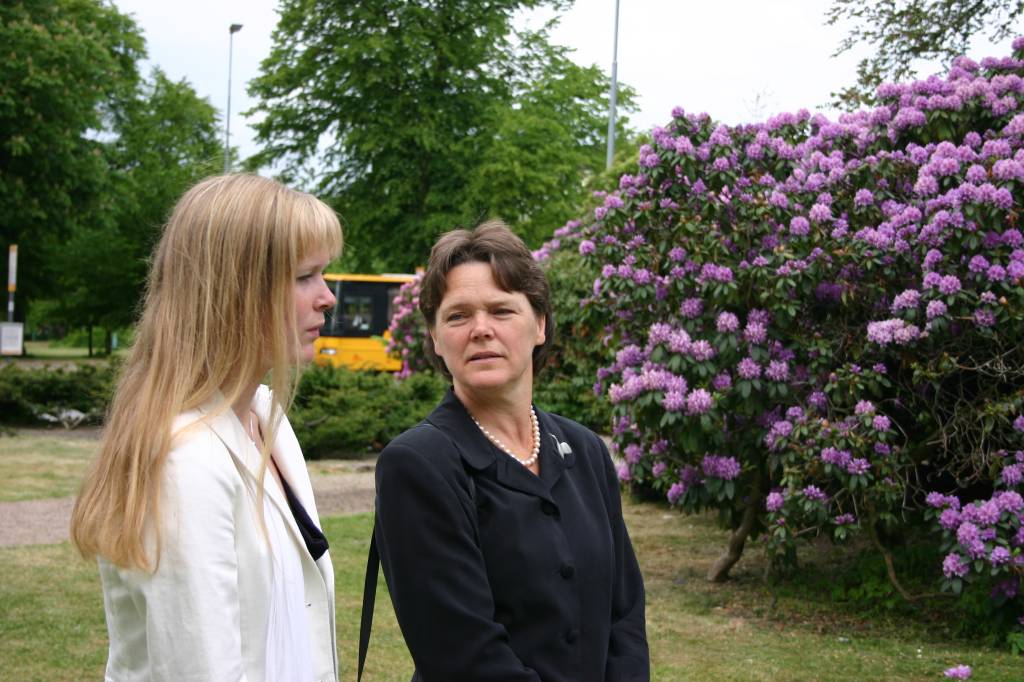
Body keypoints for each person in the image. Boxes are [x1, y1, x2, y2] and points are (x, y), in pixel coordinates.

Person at [70, 174, 342, 681]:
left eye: (323, 274)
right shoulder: (185, 461)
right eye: (305, 276)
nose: (327, 297)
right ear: (236, 291)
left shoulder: (265, 419)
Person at [374, 220, 650, 681]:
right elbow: (464, 654)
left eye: (502, 310)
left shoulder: (585, 450)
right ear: (436, 338)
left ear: (539, 324)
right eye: (458, 316)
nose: (481, 329)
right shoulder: (418, 465)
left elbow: (625, 615)